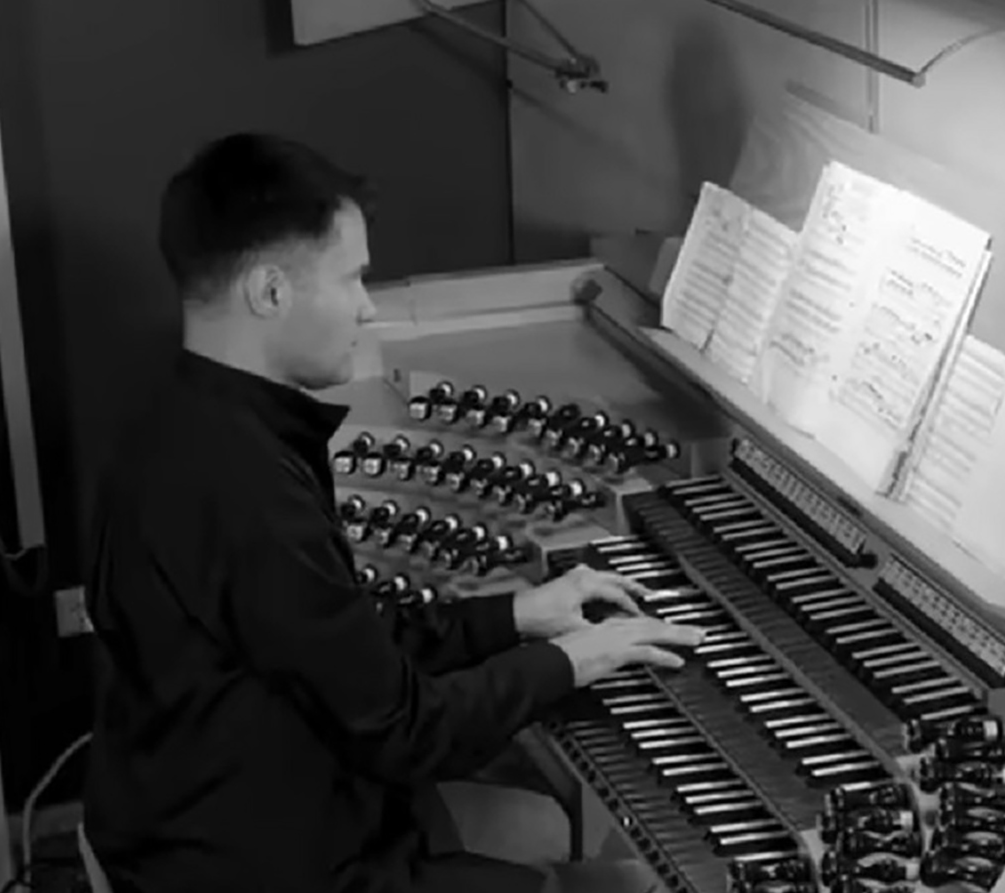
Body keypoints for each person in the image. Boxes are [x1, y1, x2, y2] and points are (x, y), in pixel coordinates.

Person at [80, 132, 705, 893]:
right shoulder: (243, 485)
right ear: (270, 292)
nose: (367, 307)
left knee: (548, 833)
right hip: (271, 866)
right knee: (630, 887)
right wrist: (575, 660)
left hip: (226, 816)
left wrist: (514, 616)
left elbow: (346, 645)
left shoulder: (190, 422)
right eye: (351, 279)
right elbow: (405, 730)